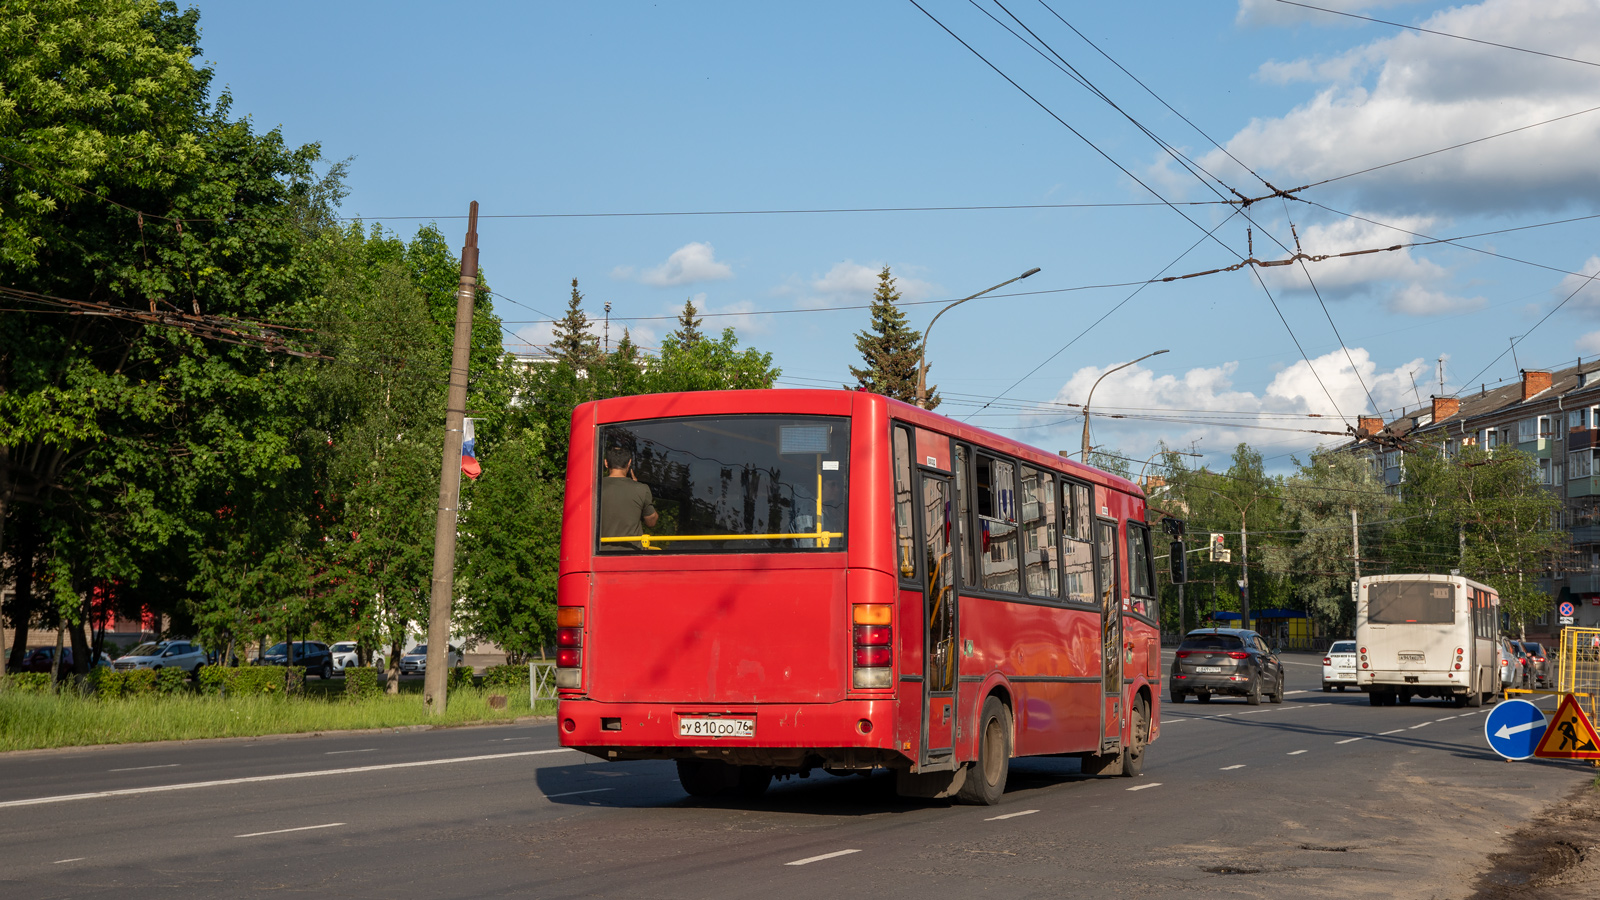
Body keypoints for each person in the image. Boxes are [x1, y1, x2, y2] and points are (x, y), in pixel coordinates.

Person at [599, 447, 657, 548]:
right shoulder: (641, 489)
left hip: (600, 553)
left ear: (606, 463)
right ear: (629, 463)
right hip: (632, 554)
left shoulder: (594, 488)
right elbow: (651, 521)